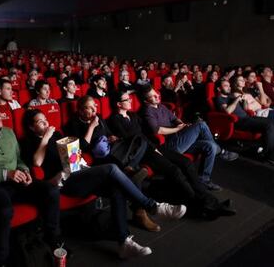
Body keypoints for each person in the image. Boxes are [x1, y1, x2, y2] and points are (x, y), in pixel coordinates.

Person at [22, 108, 187, 258]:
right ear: (31, 127)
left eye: (45, 119)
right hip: (63, 182)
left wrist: (75, 154)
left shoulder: (57, 135)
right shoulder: (29, 142)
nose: (46, 123)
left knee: (116, 188)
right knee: (111, 169)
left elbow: (71, 159)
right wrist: (45, 139)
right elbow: (36, 163)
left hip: (78, 173)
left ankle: (124, 242)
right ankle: (154, 206)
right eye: (40, 121)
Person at [0, 99, 61, 266]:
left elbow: (19, 159)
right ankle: (1, 260)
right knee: (4, 209)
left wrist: (25, 171)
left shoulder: (8, 132)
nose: (0, 114)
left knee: (50, 191)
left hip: (18, 180)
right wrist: (6, 174)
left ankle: (54, 240)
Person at [109, 92, 236, 219]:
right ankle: (203, 205)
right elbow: (130, 139)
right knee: (175, 171)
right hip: (142, 152)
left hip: (154, 146)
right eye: (127, 99)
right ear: (119, 104)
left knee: (187, 163)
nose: (131, 101)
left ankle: (210, 200)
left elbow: (146, 132)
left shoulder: (133, 115)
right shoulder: (115, 119)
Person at [141, 86, 239, 191]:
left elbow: (174, 118)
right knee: (201, 124)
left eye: (156, 93)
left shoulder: (161, 107)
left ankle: (204, 179)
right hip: (170, 146)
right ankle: (221, 152)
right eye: (152, 96)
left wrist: (182, 125)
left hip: (180, 138)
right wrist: (177, 129)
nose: (156, 96)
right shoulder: (148, 111)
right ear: (146, 101)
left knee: (210, 146)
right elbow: (157, 130)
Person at [214, 79, 274, 165]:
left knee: (271, 122)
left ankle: (265, 150)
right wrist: (237, 100)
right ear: (219, 89)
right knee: (268, 126)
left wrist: (244, 100)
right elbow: (228, 111)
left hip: (248, 117)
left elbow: (246, 109)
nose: (229, 88)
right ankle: (270, 156)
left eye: (229, 86)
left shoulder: (231, 96)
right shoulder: (219, 99)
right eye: (226, 86)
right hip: (239, 121)